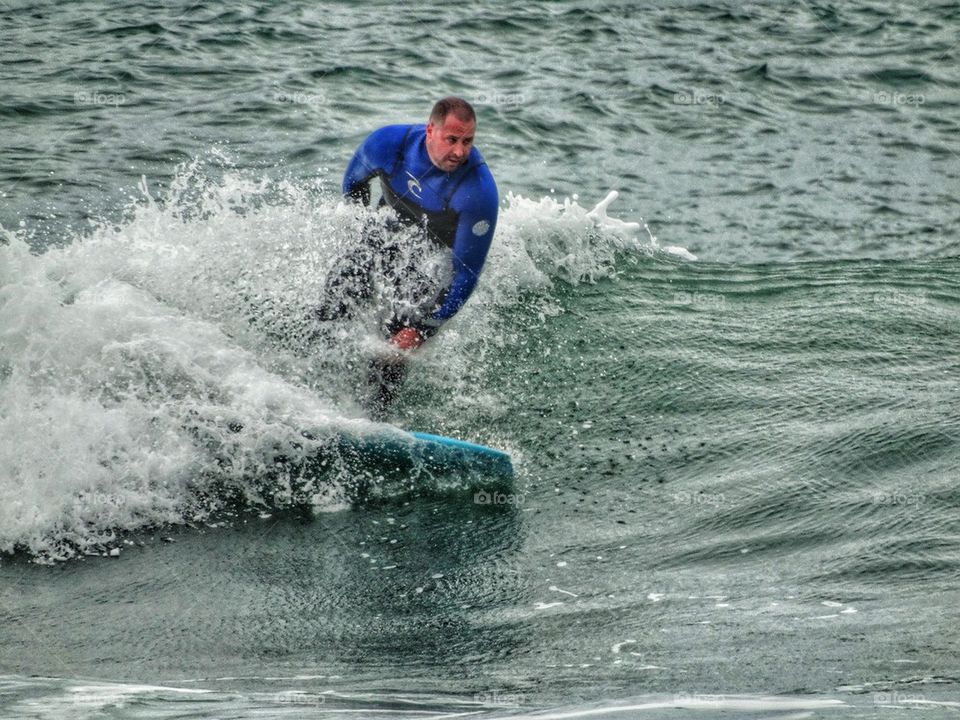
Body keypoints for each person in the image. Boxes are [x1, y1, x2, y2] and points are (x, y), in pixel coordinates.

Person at [318, 97, 499, 416]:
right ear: (431, 130)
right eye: (452, 139)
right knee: (339, 293)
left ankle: (371, 418)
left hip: (429, 259)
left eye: (468, 141)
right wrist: (360, 237)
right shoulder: (389, 145)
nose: (460, 152)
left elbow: (466, 274)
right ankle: (311, 381)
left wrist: (424, 329)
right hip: (387, 230)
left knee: (399, 336)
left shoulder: (478, 192)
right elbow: (353, 185)